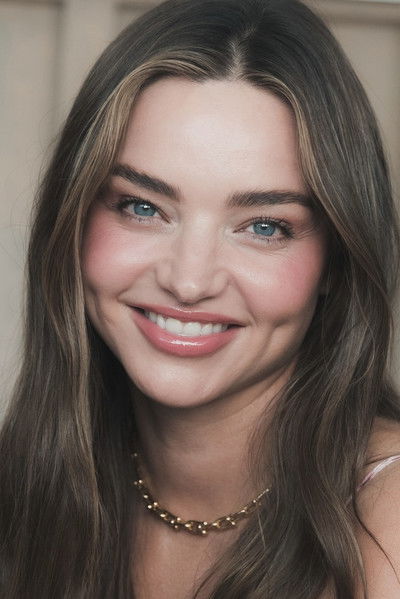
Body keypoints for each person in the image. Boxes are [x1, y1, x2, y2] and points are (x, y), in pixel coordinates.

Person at [1, 0, 399, 597]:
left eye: (264, 226)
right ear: (74, 220)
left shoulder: (389, 526)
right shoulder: (25, 484)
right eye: (143, 207)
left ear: (335, 262)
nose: (189, 282)